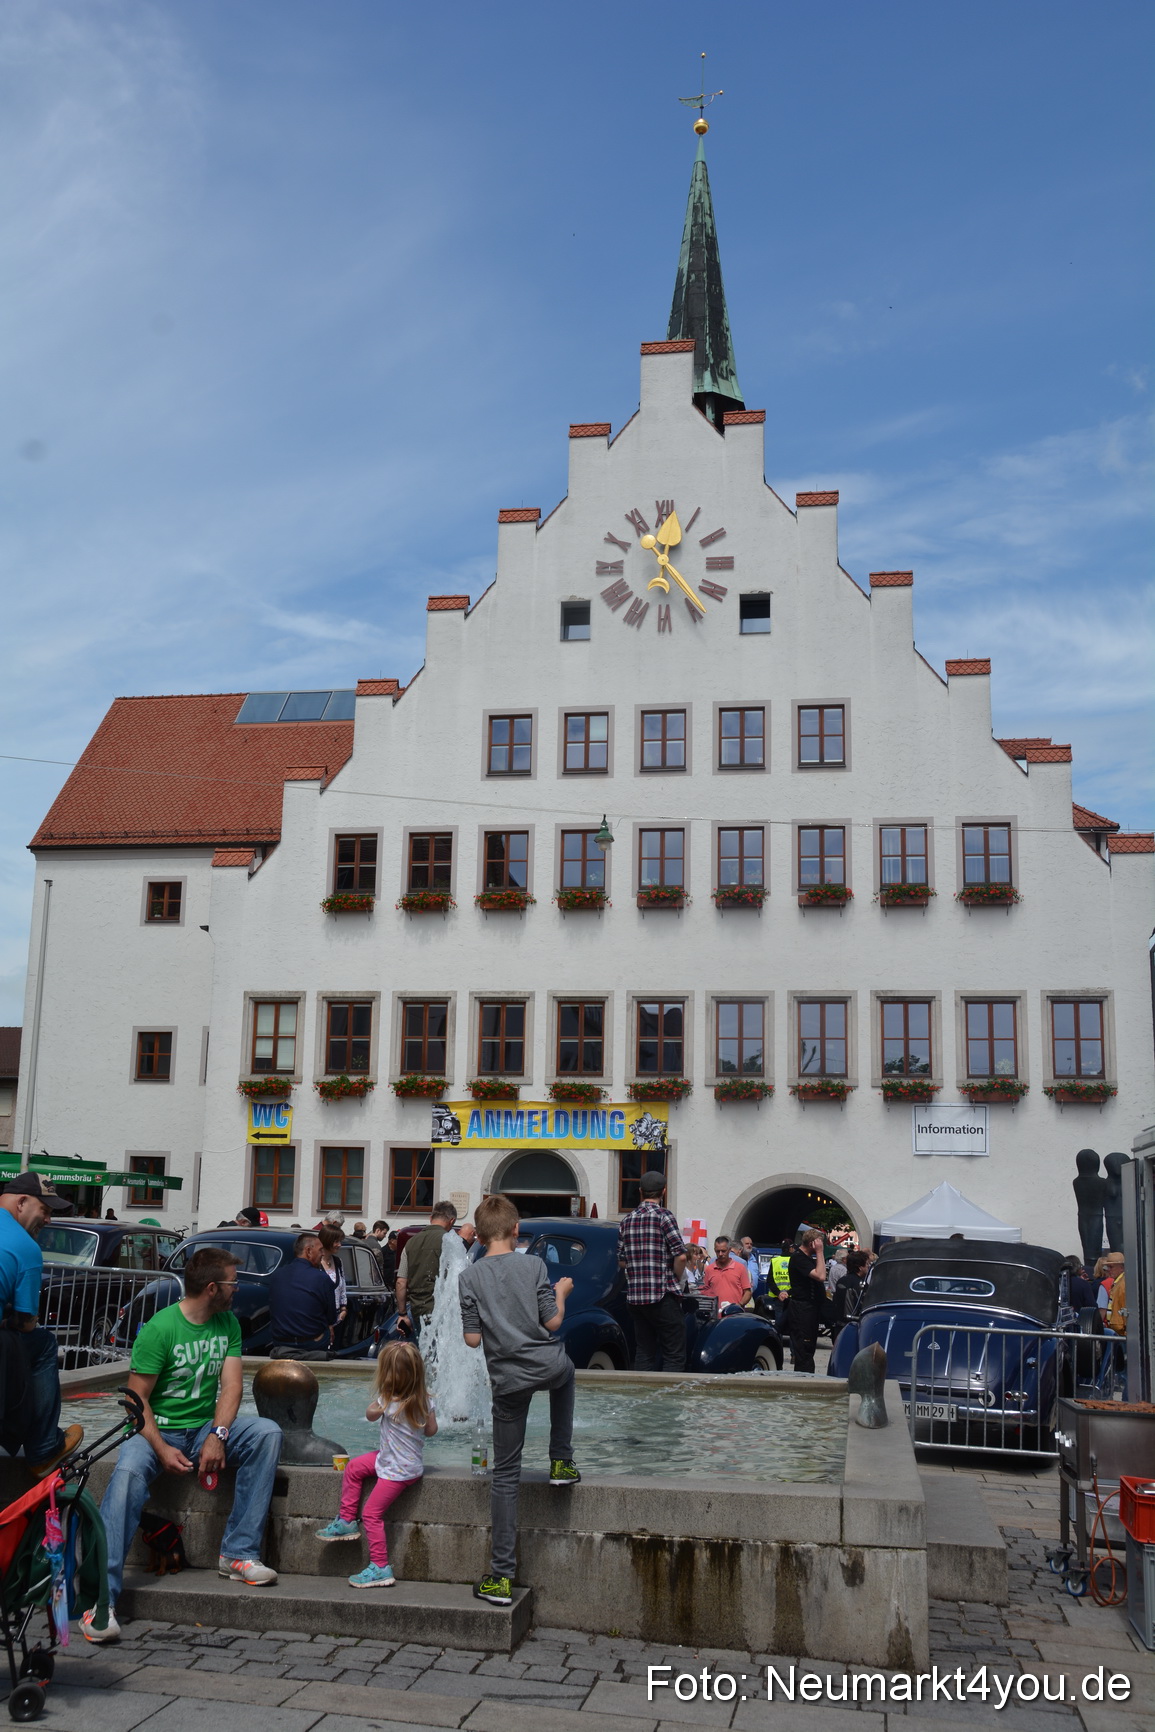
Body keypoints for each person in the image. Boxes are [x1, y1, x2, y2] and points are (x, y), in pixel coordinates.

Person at [85, 1246, 282, 1643]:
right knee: (125, 1476)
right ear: (212, 1288)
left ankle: (237, 1554)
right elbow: (135, 1402)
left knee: (267, 1433)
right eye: (233, 1282)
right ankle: (101, 1598)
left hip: (201, 1430)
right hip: (153, 1431)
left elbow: (232, 1386)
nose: (237, 1289)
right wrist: (160, 1448)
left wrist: (218, 1435)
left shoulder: (227, 1324)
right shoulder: (160, 1329)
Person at [459, 1193, 579, 1606]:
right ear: (515, 1230)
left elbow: (472, 1339)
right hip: (547, 1365)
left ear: (478, 1235)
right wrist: (561, 1291)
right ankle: (561, 1460)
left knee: (505, 1477)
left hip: (507, 1380)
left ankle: (501, 1579)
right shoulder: (534, 1264)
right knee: (567, 1371)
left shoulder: (469, 1277)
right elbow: (553, 1321)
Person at [315, 1339, 437, 1587]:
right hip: (401, 1464)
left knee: (371, 1514)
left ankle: (381, 1566)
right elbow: (432, 1431)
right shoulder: (423, 1400)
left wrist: (381, 1406)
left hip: (396, 1472)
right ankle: (347, 1521)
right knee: (355, 1467)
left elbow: (370, 1416)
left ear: (389, 1375)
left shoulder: (387, 1399)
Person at [0, 1174, 83, 1475]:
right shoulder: (25, 1246)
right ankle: (44, 1447)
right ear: (21, 1202)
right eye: (45, 1210)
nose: (48, 1220)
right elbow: (25, 1324)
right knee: (45, 1343)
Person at [617, 1172, 687, 1373]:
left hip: (636, 1298)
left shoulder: (627, 1220)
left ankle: (641, 1399)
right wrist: (676, 1277)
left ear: (640, 1192)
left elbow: (622, 1261)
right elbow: (681, 1256)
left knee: (644, 1352)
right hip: (661, 1294)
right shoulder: (664, 1216)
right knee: (673, 1353)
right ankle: (668, 1402)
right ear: (663, 1192)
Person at [394, 1201, 457, 1342]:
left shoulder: (410, 1243)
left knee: (422, 1353)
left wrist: (402, 1314)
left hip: (417, 1310)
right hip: (442, 1311)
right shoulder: (450, 1241)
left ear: (430, 1218)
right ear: (451, 1221)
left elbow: (401, 1282)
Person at [267, 1232, 337, 1355]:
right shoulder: (321, 1278)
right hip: (312, 1342)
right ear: (309, 1251)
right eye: (320, 1250)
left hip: (281, 1342)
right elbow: (331, 1317)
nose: (323, 1253)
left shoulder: (276, 1275)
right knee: (329, 1331)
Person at [787, 1228, 827, 1373]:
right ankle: (804, 1379)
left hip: (810, 1308)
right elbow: (821, 1276)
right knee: (804, 1348)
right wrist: (820, 1252)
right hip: (802, 1309)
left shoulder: (806, 1258)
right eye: (820, 1244)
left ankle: (807, 1376)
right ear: (812, 1244)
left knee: (808, 1348)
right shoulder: (798, 1258)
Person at [700, 1238, 752, 1314]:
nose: (720, 1254)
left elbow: (747, 1292)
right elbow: (705, 1292)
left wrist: (739, 1305)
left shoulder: (740, 1268)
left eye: (723, 1251)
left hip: (735, 1314)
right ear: (715, 1250)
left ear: (729, 1250)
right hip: (715, 1315)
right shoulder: (709, 1269)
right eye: (718, 1251)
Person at [317, 1224, 348, 1345]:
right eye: (336, 1241)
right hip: (320, 1319)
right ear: (327, 1241)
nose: (339, 1244)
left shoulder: (338, 1261)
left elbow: (342, 1286)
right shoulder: (316, 1262)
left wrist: (344, 1309)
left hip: (337, 1318)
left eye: (340, 1241)